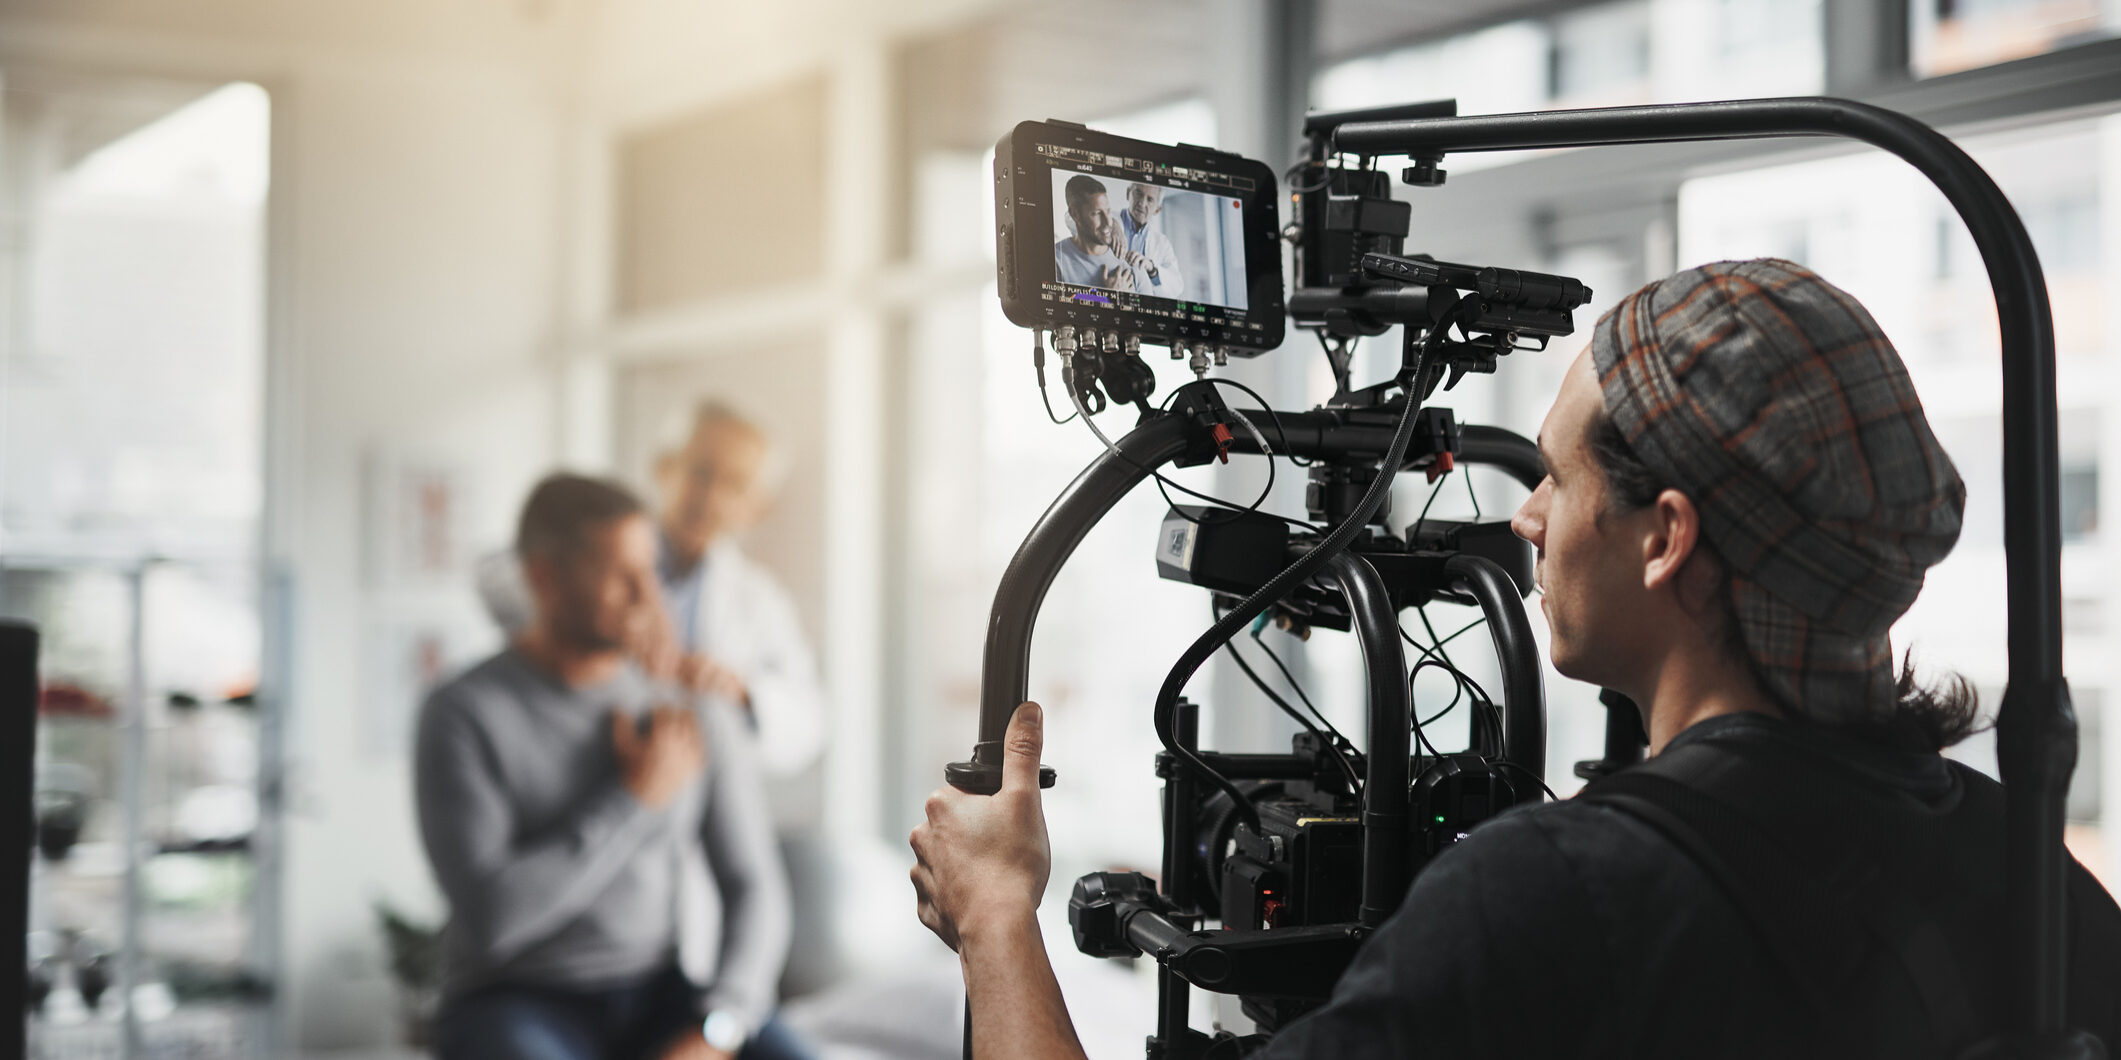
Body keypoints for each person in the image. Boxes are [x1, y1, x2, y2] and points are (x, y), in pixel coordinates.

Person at [909, 259, 2121, 1058]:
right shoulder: (2037, 880)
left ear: (1666, 536)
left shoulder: (1557, 902)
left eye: (1562, 477)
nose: (1529, 516)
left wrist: (996, 917)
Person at [419, 473, 812, 1060]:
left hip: (658, 990)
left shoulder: (692, 701)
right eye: (622, 577)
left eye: (651, 570)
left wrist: (718, 1029)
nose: (649, 596)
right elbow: (493, 919)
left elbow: (754, 886)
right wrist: (636, 797)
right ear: (545, 581)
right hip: (511, 1000)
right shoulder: (462, 713)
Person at [474, 403, 825, 779]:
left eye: (735, 484)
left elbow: (809, 724)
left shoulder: (760, 600)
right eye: (702, 472)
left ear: (758, 508)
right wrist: (605, 620)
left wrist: (742, 694)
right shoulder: (604, 538)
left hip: (692, 784)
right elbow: (500, 577)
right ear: (664, 466)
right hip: (577, 764)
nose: (711, 497)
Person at [1052, 174, 1136, 292]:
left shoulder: (1129, 264)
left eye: (1108, 211)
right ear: (1075, 214)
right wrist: (1106, 298)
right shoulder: (1055, 260)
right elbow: (1058, 306)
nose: (1108, 222)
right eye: (1097, 213)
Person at [1117, 182, 1185, 296]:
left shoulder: (1162, 243)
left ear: (1157, 210)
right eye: (1138, 193)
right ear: (1128, 193)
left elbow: (1177, 287)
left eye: (1150, 199)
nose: (1142, 203)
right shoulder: (1109, 222)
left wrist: (1153, 270)